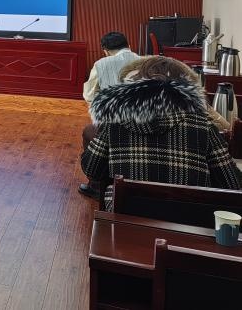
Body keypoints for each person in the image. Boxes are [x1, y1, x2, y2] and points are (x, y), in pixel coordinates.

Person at [81, 56, 241, 210]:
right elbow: (232, 183)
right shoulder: (203, 125)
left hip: (125, 217)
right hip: (188, 221)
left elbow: (92, 169)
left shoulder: (115, 120)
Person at [78, 32, 140, 198]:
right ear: (129, 46)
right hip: (146, 123)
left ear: (105, 50)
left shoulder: (101, 64)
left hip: (114, 126)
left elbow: (89, 95)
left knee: (89, 132)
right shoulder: (146, 62)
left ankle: (96, 185)